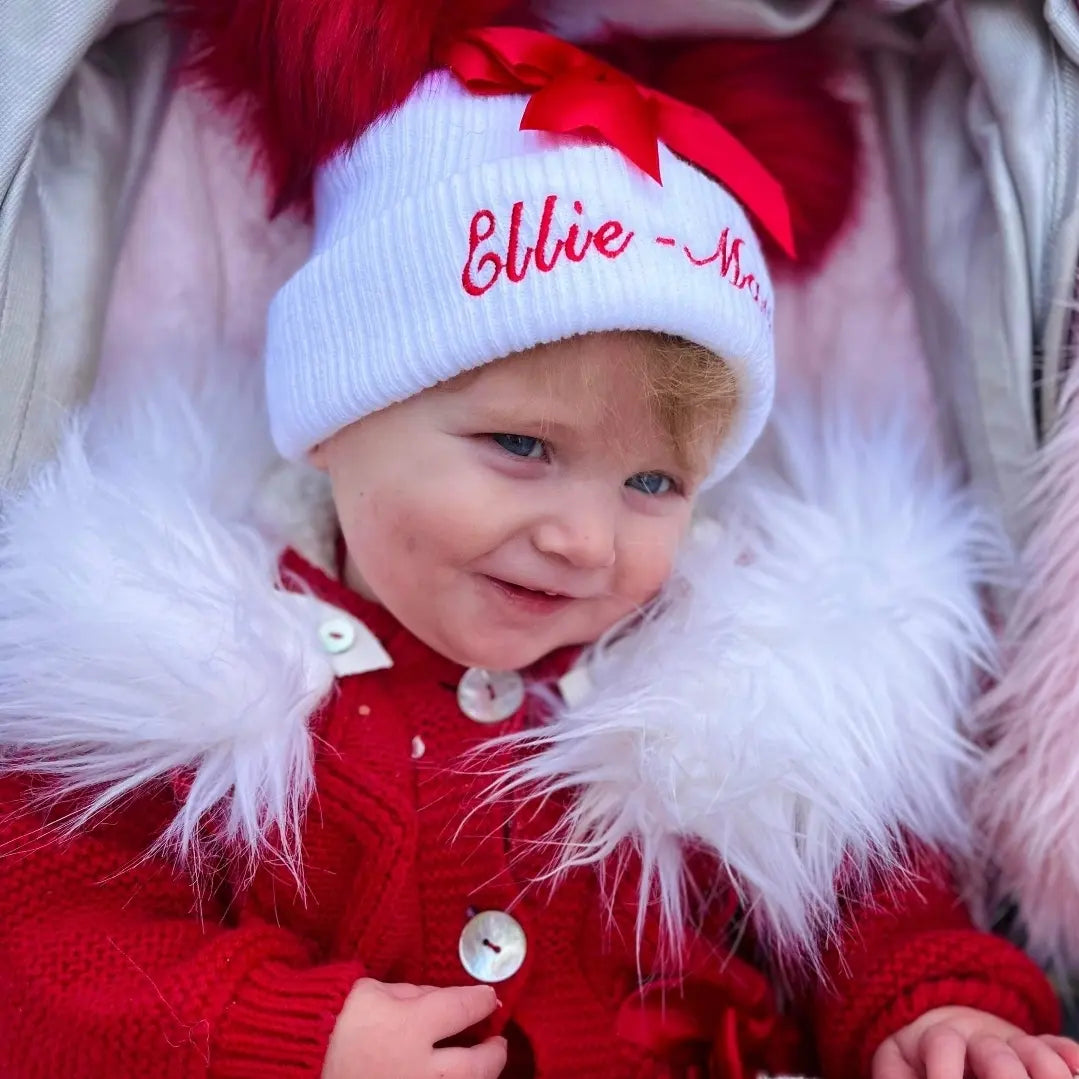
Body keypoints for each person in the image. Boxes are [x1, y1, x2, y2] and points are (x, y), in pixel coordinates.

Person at [0, 19, 1074, 1079]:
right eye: (520, 445)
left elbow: (878, 909)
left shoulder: (734, 686)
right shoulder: (184, 681)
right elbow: (38, 947)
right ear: (333, 415)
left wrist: (935, 1012)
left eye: (652, 482)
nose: (581, 538)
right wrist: (274, 1029)